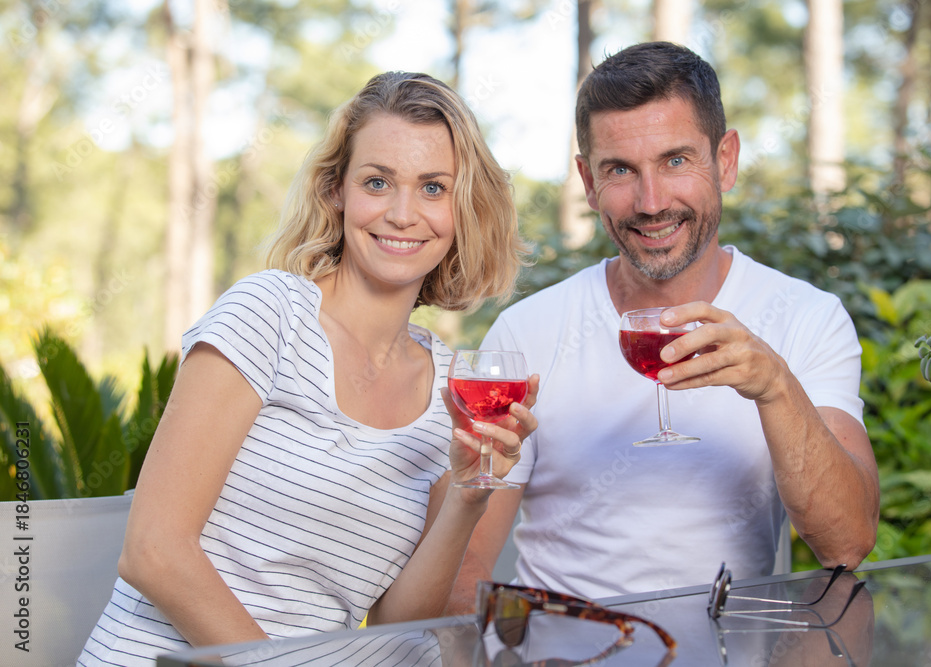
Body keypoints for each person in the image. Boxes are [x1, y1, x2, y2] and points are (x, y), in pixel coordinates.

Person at [79, 71, 539, 665]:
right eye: (378, 182)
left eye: (433, 188)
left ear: (464, 208)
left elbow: (398, 624)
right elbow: (153, 552)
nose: (403, 214)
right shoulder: (269, 313)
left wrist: (469, 492)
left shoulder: (453, 392)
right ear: (335, 192)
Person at [446, 42, 880, 608]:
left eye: (677, 161)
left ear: (725, 160)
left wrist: (775, 387)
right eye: (620, 170)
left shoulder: (806, 318)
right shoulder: (529, 331)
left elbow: (846, 545)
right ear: (588, 180)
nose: (651, 202)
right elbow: (465, 562)